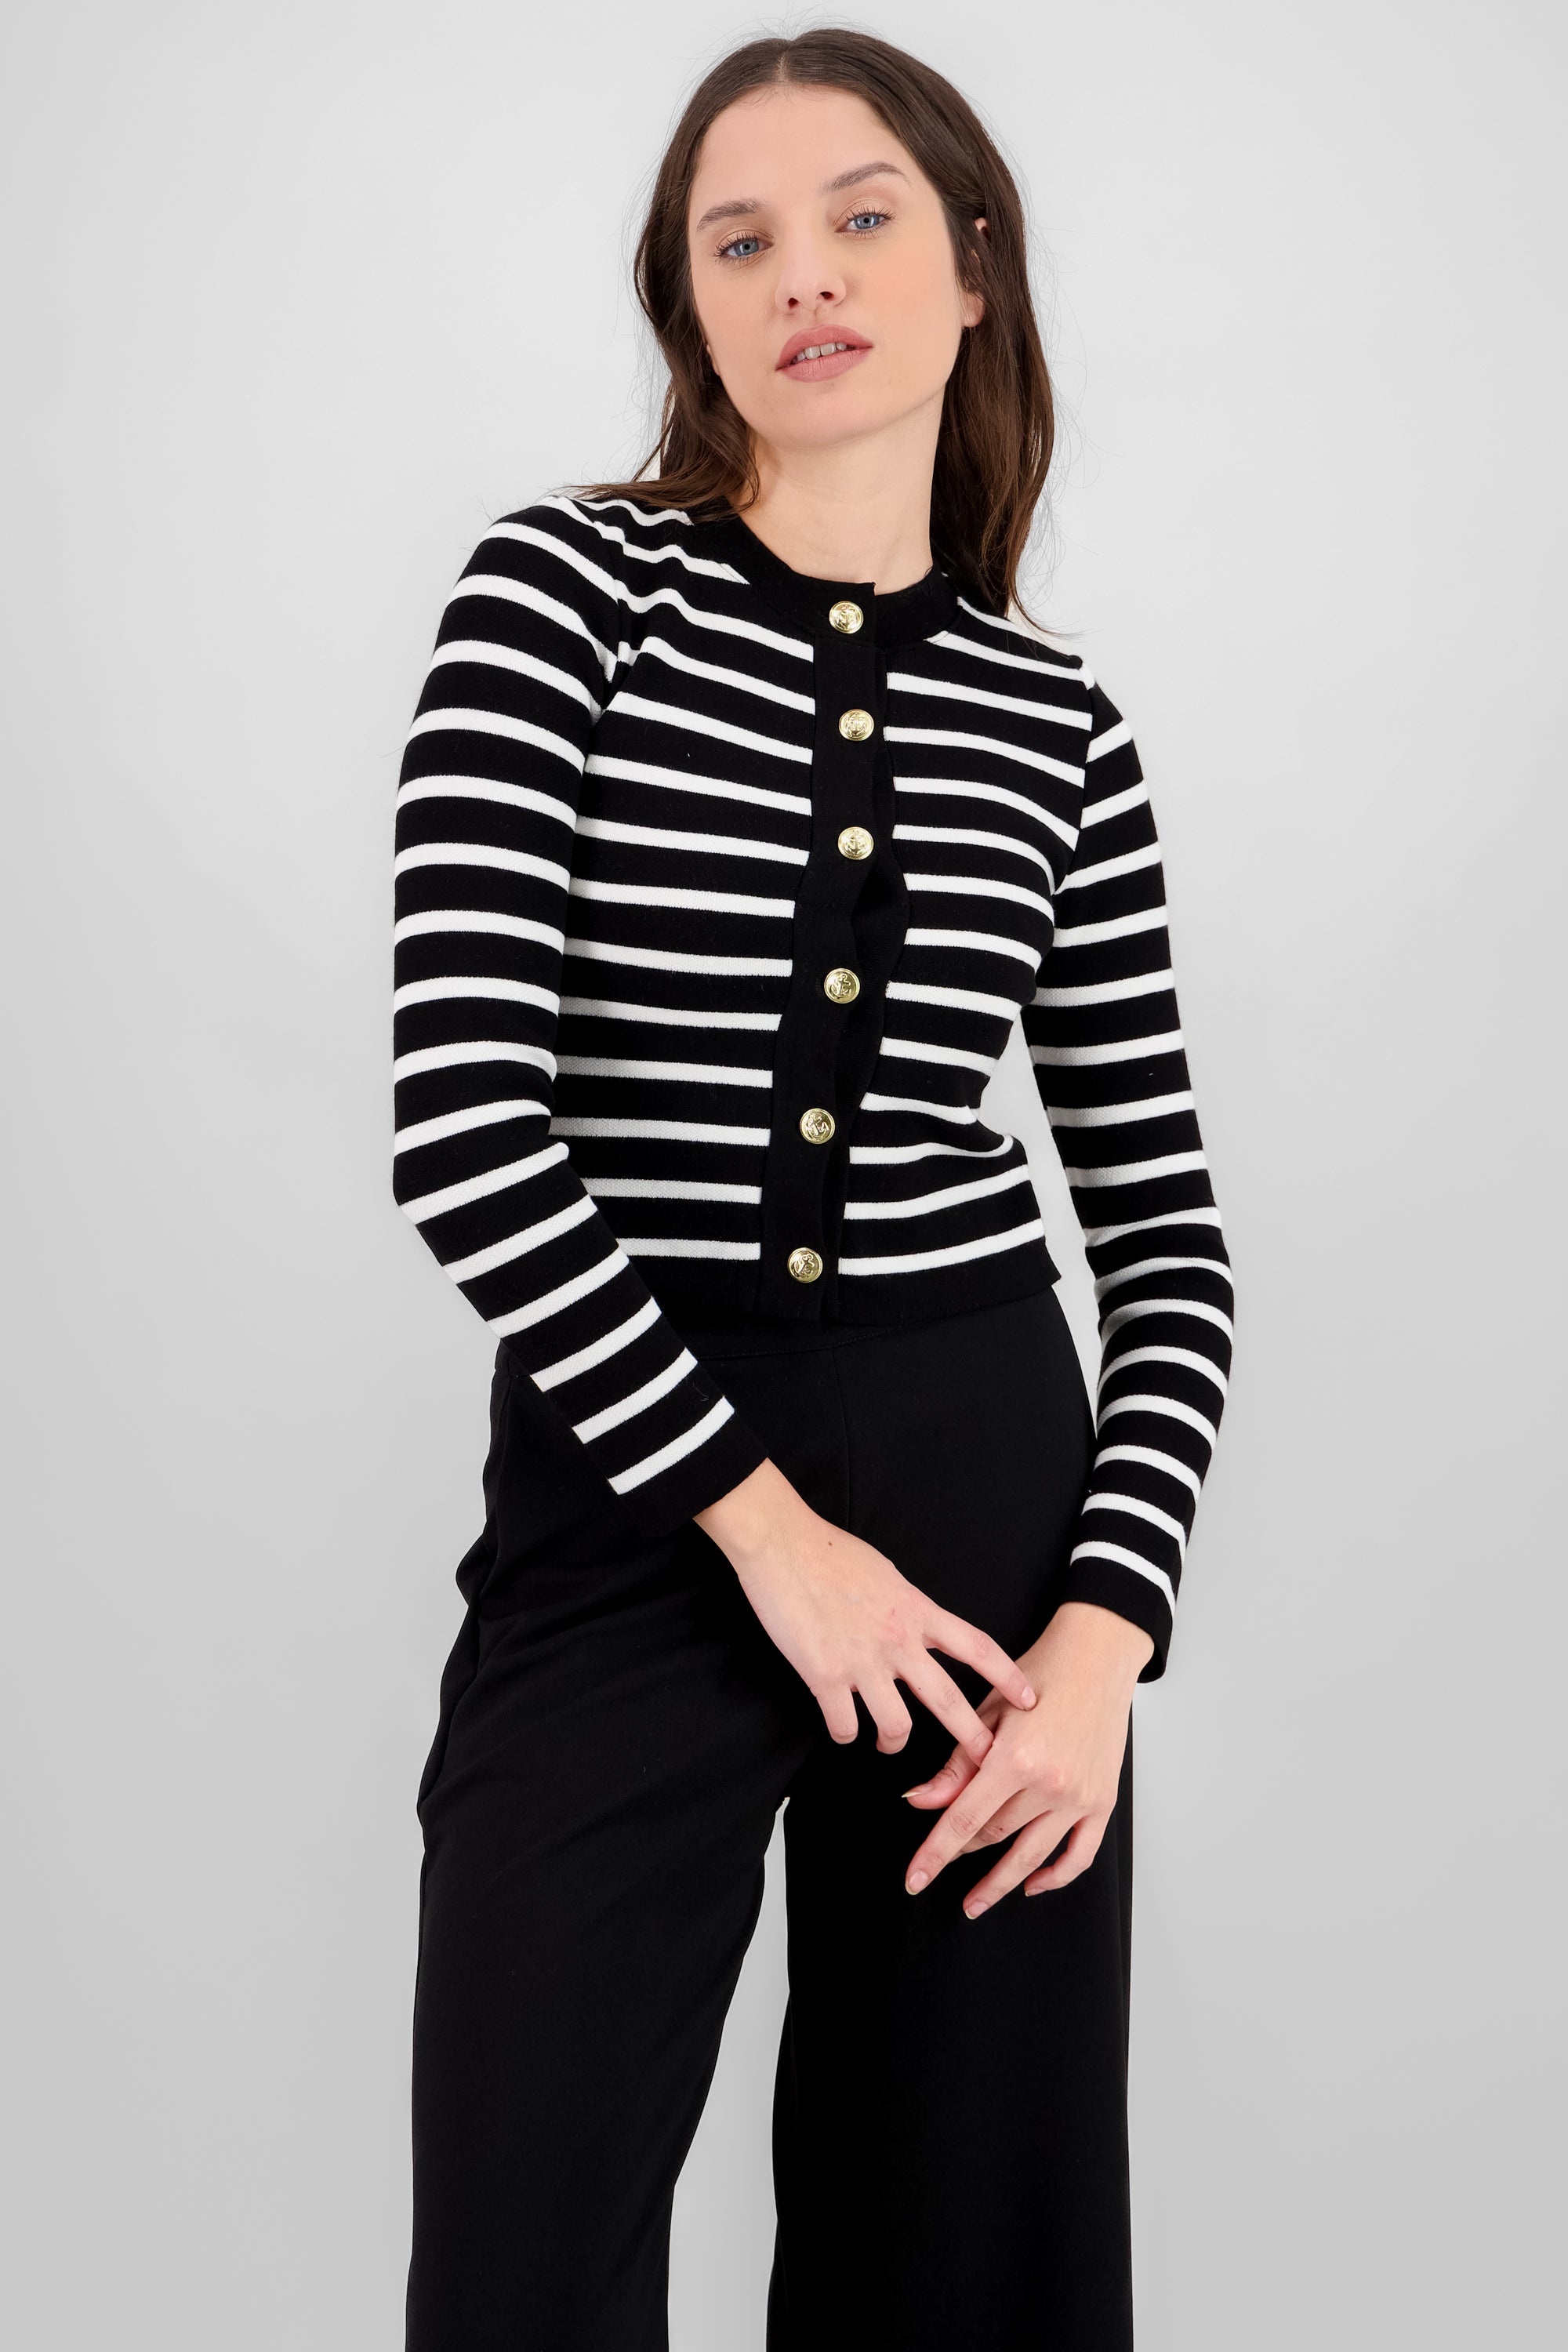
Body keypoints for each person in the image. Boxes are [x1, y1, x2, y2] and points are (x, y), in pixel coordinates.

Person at [391, 26, 1232, 2350]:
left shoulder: (1059, 723)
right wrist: (772, 1537)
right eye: (739, 238)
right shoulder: (561, 599)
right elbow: (464, 1124)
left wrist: (1105, 1642)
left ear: (972, 270)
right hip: (638, 1491)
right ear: (688, 305)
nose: (807, 276)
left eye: (863, 218)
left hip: (993, 1523)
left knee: (969, 2262)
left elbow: (1165, 1234)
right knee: (526, 2248)